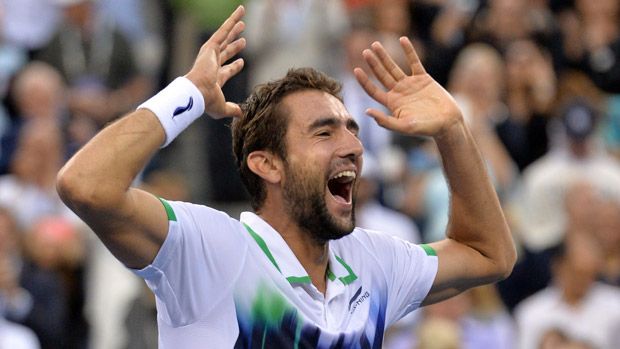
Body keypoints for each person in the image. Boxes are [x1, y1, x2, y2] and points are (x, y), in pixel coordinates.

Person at [56, 6, 516, 347]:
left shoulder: (372, 264)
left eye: (352, 130)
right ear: (267, 164)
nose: (353, 146)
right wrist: (189, 93)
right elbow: (86, 186)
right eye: (324, 132)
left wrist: (453, 132)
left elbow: (488, 254)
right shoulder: (214, 250)